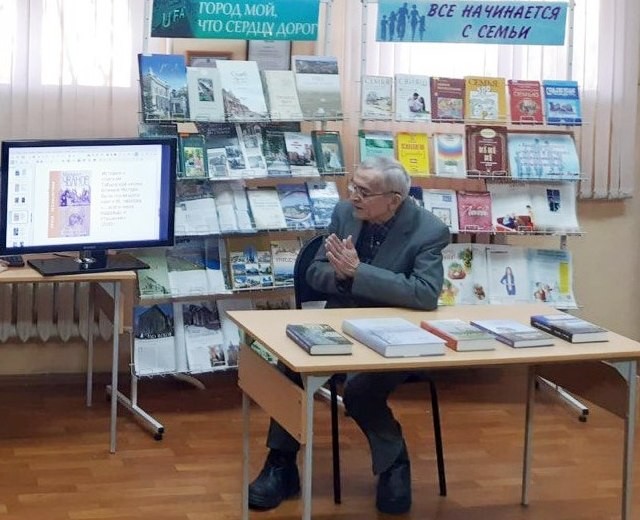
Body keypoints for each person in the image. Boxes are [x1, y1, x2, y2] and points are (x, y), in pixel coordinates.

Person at [248, 156, 450, 515]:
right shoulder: (344, 213)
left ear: (394, 200)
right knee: (289, 365)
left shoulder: (428, 230)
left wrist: (359, 273)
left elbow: (424, 293)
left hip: (393, 334)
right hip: (338, 324)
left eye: (364, 191)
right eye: (353, 186)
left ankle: (394, 463)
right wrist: (341, 277)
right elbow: (314, 271)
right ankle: (280, 465)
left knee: (360, 389)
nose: (353, 195)